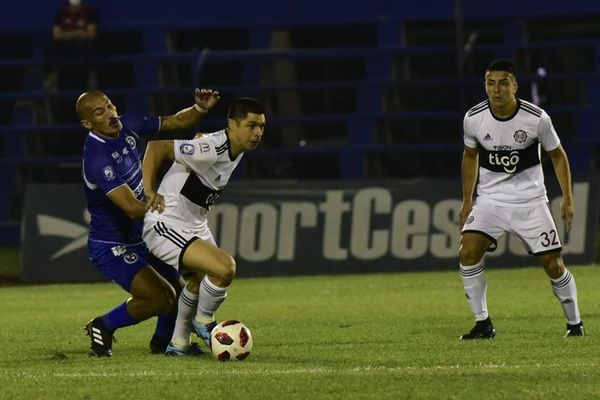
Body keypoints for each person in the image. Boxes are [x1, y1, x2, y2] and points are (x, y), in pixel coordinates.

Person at [77, 87, 220, 357]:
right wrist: (171, 210)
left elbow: (176, 122)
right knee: (159, 297)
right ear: (88, 123)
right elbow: (131, 208)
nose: (109, 114)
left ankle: (164, 343)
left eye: (109, 106)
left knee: (183, 291)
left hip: (143, 235)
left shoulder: (128, 124)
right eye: (99, 112)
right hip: (113, 245)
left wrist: (199, 109)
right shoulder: (97, 158)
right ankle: (103, 325)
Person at [458, 59, 583, 339]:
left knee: (553, 265)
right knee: (467, 252)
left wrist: (568, 198)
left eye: (503, 82)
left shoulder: (536, 118)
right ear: (485, 85)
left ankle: (575, 324)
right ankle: (483, 324)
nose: (496, 89)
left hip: (530, 202)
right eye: (491, 83)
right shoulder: (473, 118)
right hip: (491, 201)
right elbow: (469, 156)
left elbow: (558, 155)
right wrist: (467, 200)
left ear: (514, 85)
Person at [141, 97, 266, 356]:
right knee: (224, 268)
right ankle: (204, 320)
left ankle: (178, 343)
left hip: (194, 225)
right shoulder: (211, 148)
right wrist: (149, 190)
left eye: (262, 126)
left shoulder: (234, 146)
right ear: (232, 124)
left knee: (201, 280)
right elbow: (156, 147)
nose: (257, 133)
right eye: (251, 125)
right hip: (166, 223)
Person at [43, 0, 98, 91]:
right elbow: (57, 35)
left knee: (89, 44)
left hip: (81, 45)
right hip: (66, 46)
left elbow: (91, 34)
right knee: (51, 45)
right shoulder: (61, 13)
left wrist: (67, 34)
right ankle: (49, 77)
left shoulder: (89, 12)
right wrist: (78, 33)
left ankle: (93, 77)